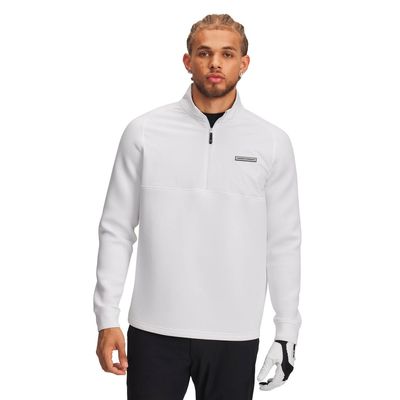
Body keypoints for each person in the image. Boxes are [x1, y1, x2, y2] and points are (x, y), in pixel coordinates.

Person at [93, 13, 302, 400]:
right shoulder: (144, 132)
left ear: (244, 63)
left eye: (227, 54)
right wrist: (107, 317)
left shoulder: (271, 142)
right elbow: (116, 228)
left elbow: (283, 241)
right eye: (204, 53)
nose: (215, 63)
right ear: (188, 61)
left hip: (234, 332)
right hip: (154, 328)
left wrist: (287, 330)